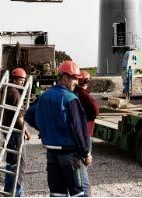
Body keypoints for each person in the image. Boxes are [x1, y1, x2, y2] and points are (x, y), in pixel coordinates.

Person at [25, 60, 92, 197]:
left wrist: (46, 128)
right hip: (71, 156)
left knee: (57, 194)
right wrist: (86, 153)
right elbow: (79, 130)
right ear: (65, 77)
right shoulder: (70, 98)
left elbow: (29, 115)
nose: (76, 82)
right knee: (81, 194)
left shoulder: (44, 96)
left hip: (52, 155)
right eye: (74, 78)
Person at [2, 68, 30, 197]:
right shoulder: (15, 93)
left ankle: (7, 192)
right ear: (14, 80)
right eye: (20, 80)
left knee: (10, 163)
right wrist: (27, 132)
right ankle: (16, 194)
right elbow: (19, 116)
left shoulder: (7, 90)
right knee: (19, 164)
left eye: (23, 80)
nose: (22, 83)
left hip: (8, 132)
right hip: (15, 133)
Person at [74, 71, 99, 196]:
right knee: (83, 166)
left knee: (78, 168)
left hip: (75, 134)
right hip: (85, 134)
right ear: (87, 81)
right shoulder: (84, 95)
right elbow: (95, 109)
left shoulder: (74, 93)